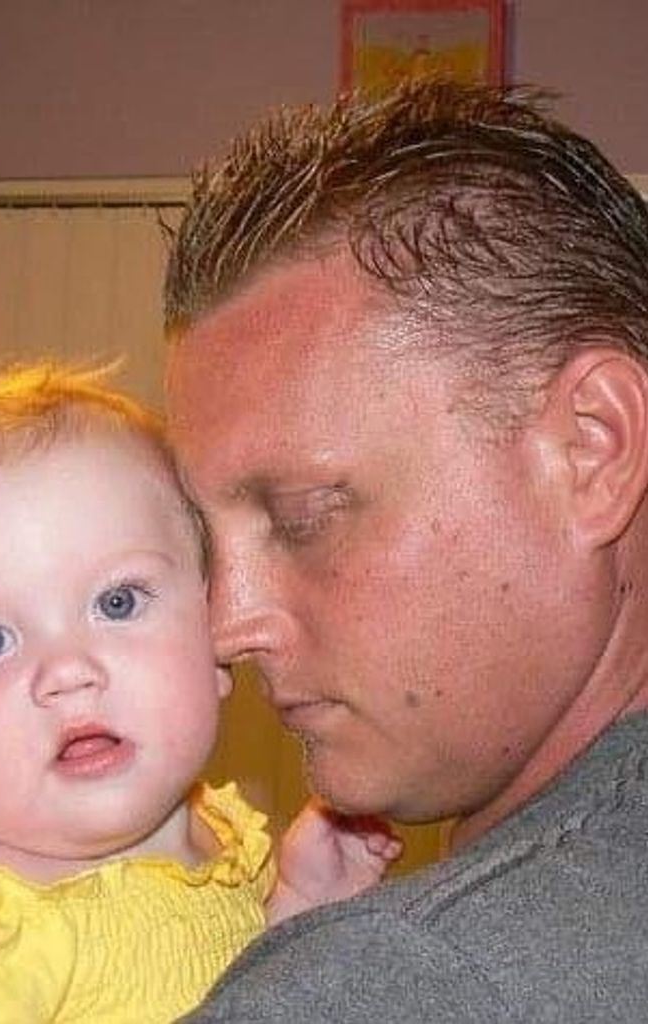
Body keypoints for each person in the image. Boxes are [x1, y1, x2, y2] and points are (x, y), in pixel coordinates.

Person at [164, 78, 648, 1021]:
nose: (225, 628)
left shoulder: (397, 981)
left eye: (304, 513)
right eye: (204, 541)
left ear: (592, 447)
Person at [0, 363, 399, 1024]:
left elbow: (238, 1000)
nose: (69, 671)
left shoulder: (222, 837)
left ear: (215, 626)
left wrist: (295, 904)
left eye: (117, 602)